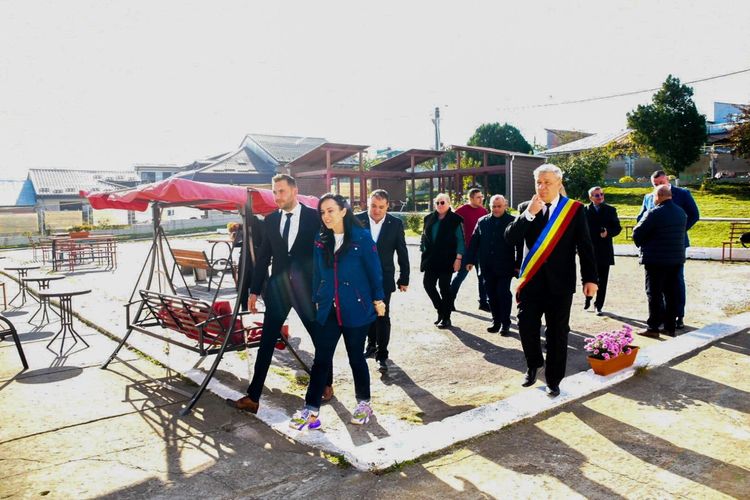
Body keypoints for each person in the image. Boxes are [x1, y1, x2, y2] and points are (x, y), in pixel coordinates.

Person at [226, 174, 331, 414]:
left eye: (281, 191)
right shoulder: (271, 220)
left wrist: (325, 288)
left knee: (320, 338)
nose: (277, 196)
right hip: (278, 291)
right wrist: (254, 291)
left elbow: (326, 254)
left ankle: (326, 383)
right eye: (274, 192)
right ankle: (253, 397)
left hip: (306, 291)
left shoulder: (314, 218)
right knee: (266, 342)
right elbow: (264, 257)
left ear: (294, 191)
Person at [288, 194, 385, 430]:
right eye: (322, 212)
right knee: (321, 359)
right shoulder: (321, 239)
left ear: (343, 211)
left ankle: (364, 403)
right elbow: (318, 273)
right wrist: (317, 299)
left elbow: (375, 271)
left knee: (356, 357)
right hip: (328, 308)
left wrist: (378, 298)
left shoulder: (361, 237)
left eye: (331, 210)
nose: (326, 216)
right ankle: (311, 410)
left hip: (356, 307)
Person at [505, 164, 598, 397]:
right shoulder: (526, 207)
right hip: (531, 281)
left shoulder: (574, 209)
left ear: (559, 184)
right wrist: (528, 214)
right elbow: (510, 238)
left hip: (561, 283)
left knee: (557, 332)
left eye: (547, 182)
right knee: (526, 325)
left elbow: (585, 246)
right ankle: (534, 363)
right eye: (539, 182)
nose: (542, 187)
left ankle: (554, 379)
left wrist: (590, 279)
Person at [636, 170, 699, 329]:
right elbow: (641, 218)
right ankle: (662, 317)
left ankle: (678, 315)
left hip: (675, 245)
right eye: (655, 184)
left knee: (676, 283)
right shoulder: (649, 197)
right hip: (655, 248)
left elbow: (694, 215)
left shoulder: (682, 194)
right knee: (657, 286)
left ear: (667, 181)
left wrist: (679, 231)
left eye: (661, 183)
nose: (658, 186)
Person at [356, 189, 410, 373]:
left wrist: (404, 277)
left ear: (387, 206)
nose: (376, 210)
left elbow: (402, 251)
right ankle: (371, 345)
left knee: (382, 315)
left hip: (383, 278)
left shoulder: (395, 224)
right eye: (373, 206)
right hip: (360, 277)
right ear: (367, 204)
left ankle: (382, 355)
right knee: (366, 313)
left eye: (381, 207)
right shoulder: (356, 220)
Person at [632, 185, 687, 338]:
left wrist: (644, 242)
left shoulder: (654, 213)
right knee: (671, 294)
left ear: (659, 196)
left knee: (654, 294)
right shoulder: (681, 212)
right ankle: (670, 327)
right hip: (676, 259)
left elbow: (637, 233)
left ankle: (653, 327)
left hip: (656, 260)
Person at [464, 195, 521, 335]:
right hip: (486, 266)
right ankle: (496, 321)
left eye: (499, 206)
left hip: (505, 266)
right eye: (493, 206)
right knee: (491, 294)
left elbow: (520, 245)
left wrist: (518, 264)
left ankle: (506, 323)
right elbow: (474, 241)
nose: (496, 209)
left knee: (503, 293)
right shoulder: (482, 221)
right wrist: (469, 260)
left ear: (505, 206)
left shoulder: (512, 221)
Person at [421, 193, 464, 329]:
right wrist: (423, 248)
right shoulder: (428, 218)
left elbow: (460, 240)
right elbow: (424, 236)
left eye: (442, 202)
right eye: (437, 203)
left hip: (448, 259)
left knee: (444, 287)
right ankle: (441, 310)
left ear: (449, 203)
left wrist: (458, 259)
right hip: (431, 259)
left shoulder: (455, 219)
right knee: (428, 284)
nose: (440, 205)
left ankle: (446, 318)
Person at [584, 186, 622, 315]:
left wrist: (608, 233)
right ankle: (588, 298)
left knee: (602, 280)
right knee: (589, 277)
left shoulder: (610, 210)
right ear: (591, 197)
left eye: (601, 194)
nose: (600, 197)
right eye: (596, 195)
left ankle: (598, 305)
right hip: (589, 250)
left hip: (604, 250)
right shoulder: (584, 211)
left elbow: (617, 228)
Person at [450, 188, 489, 311]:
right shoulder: (462, 210)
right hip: (466, 249)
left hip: (480, 250)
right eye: (478, 197)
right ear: (471, 198)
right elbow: (451, 225)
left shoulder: (484, 211)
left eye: (482, 197)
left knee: (482, 277)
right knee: (461, 275)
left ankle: (483, 302)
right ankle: (449, 301)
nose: (481, 199)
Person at [229, 217, 265, 312]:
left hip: (255, 258)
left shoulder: (259, 224)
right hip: (248, 257)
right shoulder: (244, 226)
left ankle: (245, 307)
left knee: (258, 283)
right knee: (245, 283)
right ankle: (244, 307)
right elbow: (236, 242)